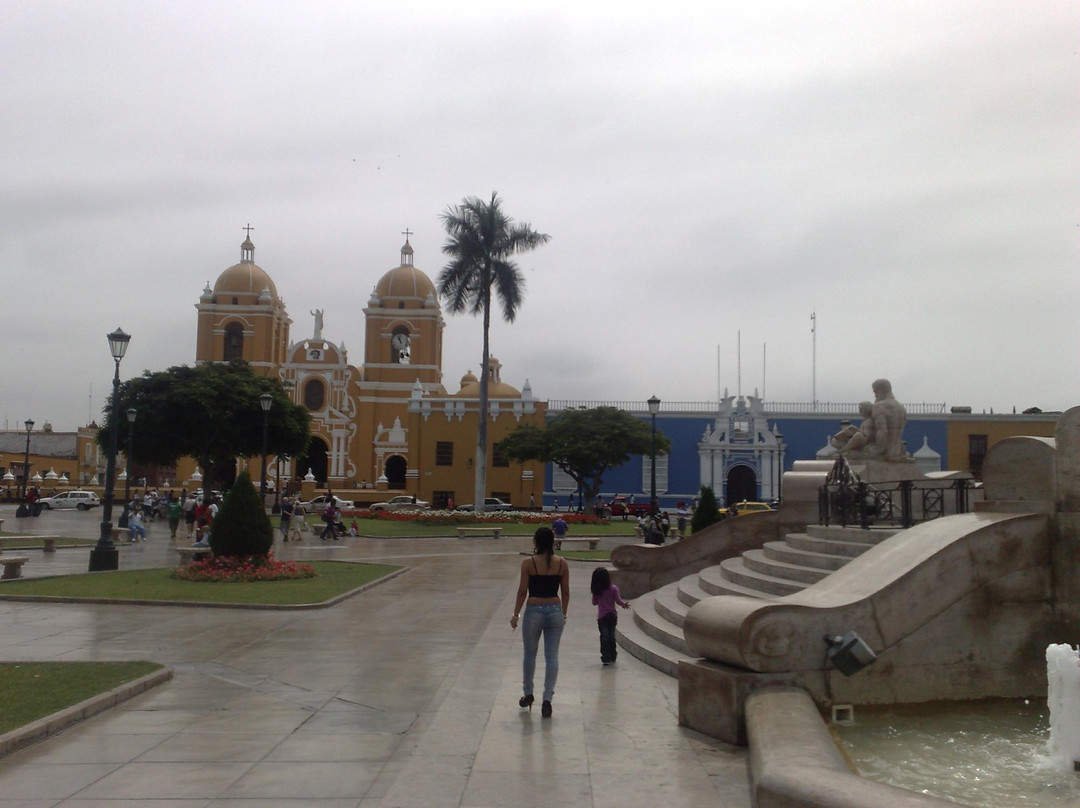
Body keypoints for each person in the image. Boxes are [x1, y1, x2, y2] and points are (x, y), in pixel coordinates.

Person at [510, 527, 569, 718]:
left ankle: (528, 693)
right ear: (553, 542)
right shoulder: (562, 564)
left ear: (536, 542)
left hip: (534, 610)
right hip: (555, 610)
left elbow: (522, 591)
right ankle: (547, 700)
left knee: (530, 654)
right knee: (552, 656)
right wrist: (564, 613)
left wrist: (516, 614)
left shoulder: (529, 563)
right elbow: (566, 592)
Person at [590, 567, 630, 665]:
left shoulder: (598, 590)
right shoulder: (613, 588)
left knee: (604, 636)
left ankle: (605, 656)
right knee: (611, 636)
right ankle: (612, 654)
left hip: (602, 617)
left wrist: (596, 595)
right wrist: (624, 605)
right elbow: (618, 600)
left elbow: (594, 603)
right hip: (612, 615)